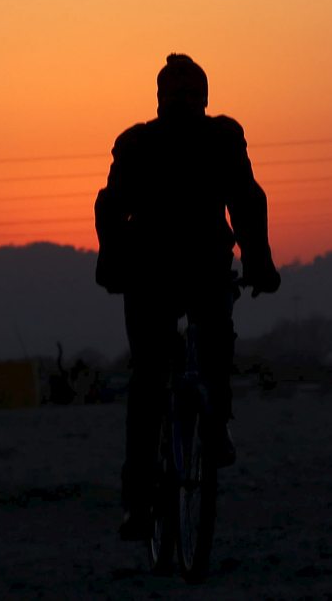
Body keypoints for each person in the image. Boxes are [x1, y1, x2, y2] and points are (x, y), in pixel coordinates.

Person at [94, 53, 280, 540]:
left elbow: (112, 208)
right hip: (177, 269)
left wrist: (111, 264)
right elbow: (246, 200)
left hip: (163, 271)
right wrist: (259, 264)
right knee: (185, 359)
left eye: (186, 94)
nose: (182, 102)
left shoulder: (143, 141)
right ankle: (209, 433)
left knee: (154, 379)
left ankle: (143, 498)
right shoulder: (213, 137)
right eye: (179, 94)